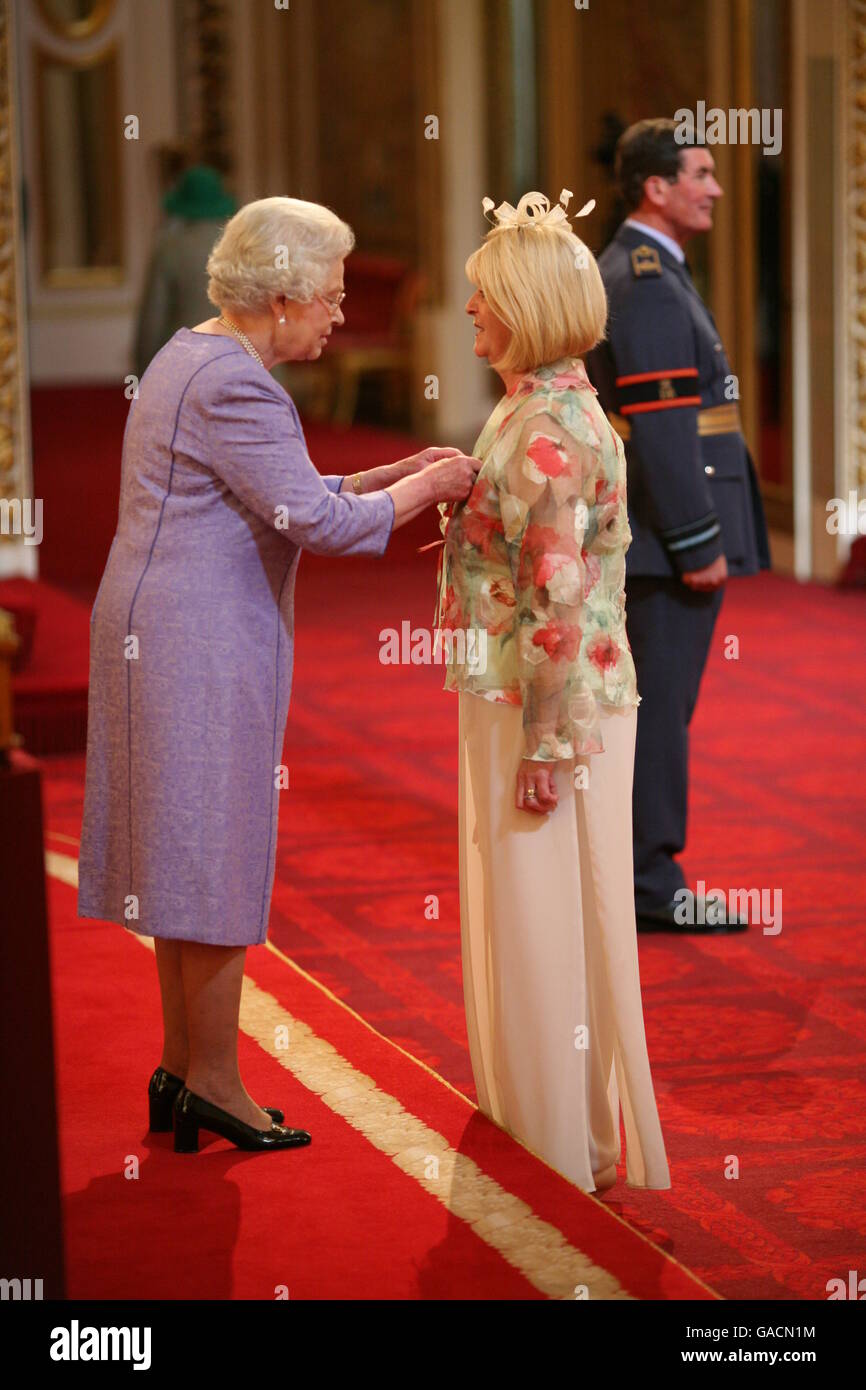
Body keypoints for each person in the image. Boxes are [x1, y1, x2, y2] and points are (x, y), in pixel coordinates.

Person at [78, 195, 480, 1154]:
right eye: (333, 297)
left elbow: (287, 493)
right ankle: (215, 1079)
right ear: (287, 293)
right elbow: (320, 526)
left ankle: (182, 1071)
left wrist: (395, 471)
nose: (341, 315)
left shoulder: (196, 353)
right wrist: (432, 488)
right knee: (210, 857)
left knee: (179, 860)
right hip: (196, 642)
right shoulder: (242, 386)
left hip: (156, 627)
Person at [434, 189, 670, 1195]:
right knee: (527, 908)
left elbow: (558, 600)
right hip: (527, 692)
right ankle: (542, 1118)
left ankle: (559, 1143)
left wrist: (544, 744)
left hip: (551, 706)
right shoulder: (538, 405)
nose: (470, 313)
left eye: (482, 297)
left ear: (525, 305)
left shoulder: (549, 426)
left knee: (546, 920)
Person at [586, 119, 770, 935]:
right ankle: (650, 884)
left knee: (653, 707)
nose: (715, 188)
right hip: (669, 544)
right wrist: (700, 543)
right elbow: (662, 428)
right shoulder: (649, 277)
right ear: (655, 188)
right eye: (700, 173)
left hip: (660, 537)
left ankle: (633, 875)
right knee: (659, 711)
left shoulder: (638, 267)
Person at [133, 164, 238, 379]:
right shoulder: (242, 247)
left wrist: (143, 368)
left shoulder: (169, 248)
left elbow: (152, 318)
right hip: (236, 356)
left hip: (182, 361)